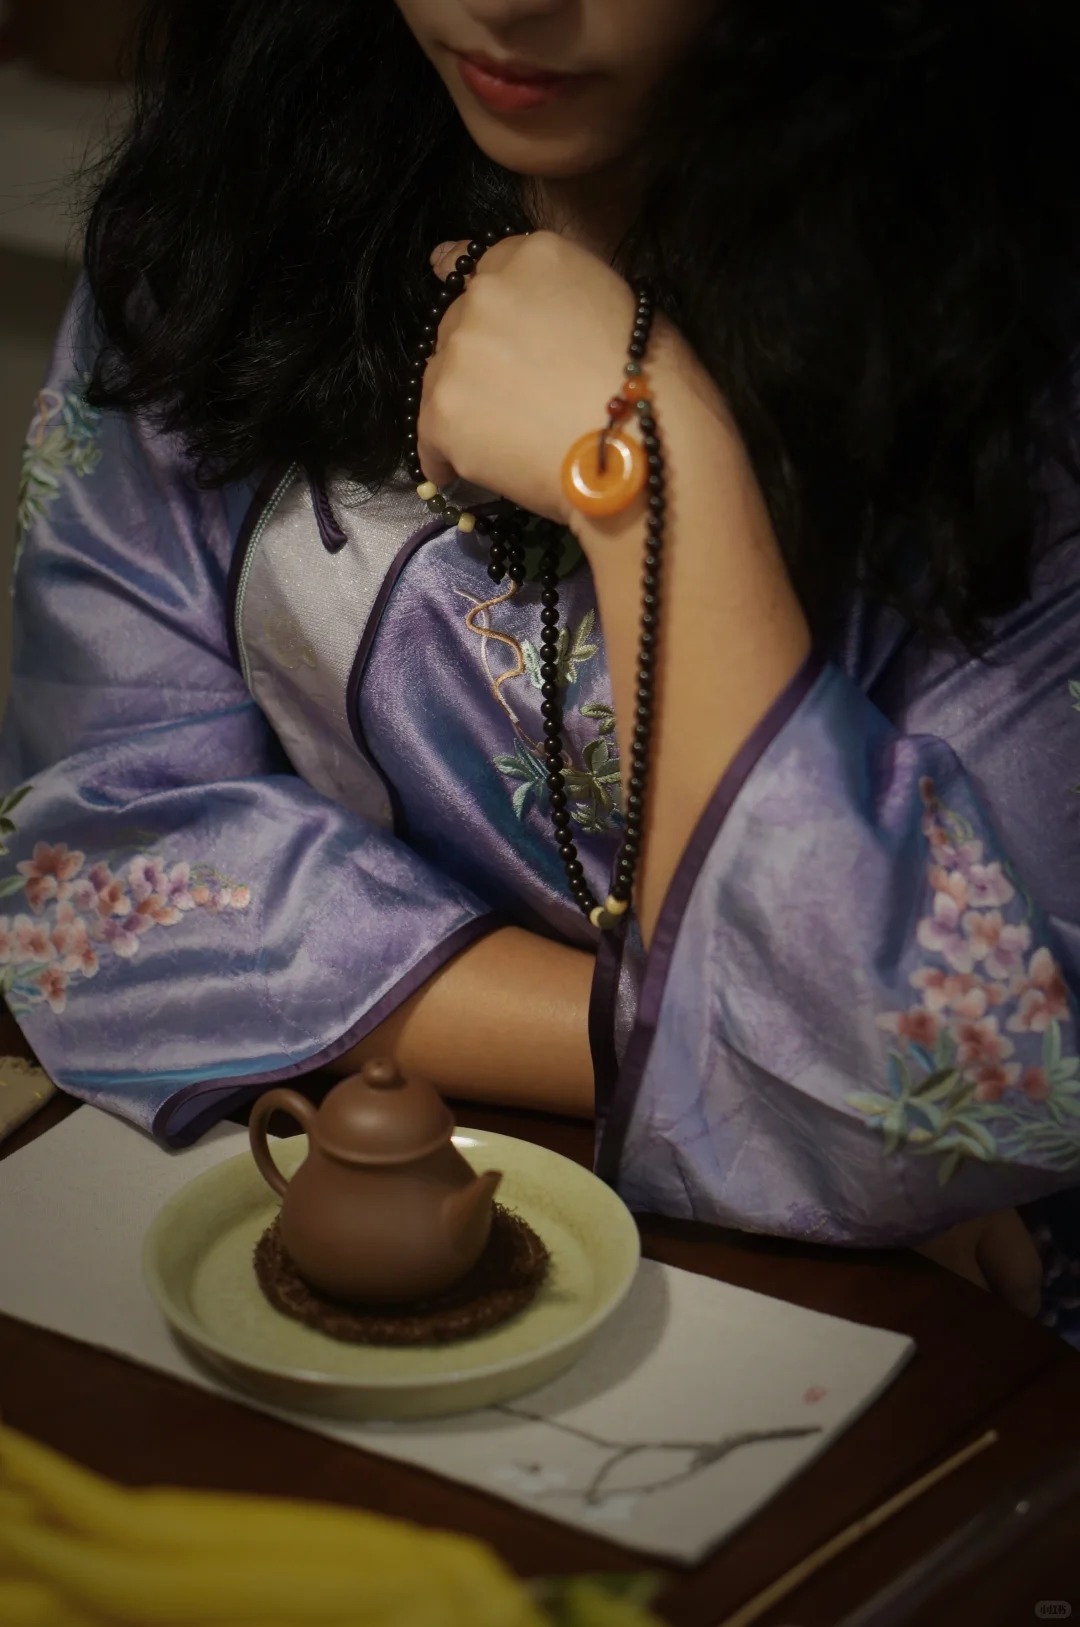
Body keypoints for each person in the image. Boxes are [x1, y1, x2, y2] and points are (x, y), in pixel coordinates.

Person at [5, 0, 1080, 1328]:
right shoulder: (241, 192)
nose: (506, 2)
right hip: (387, 1187)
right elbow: (91, 867)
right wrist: (698, 1055)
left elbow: (960, 1083)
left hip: (914, 1336)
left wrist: (651, 470)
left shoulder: (1020, 340)